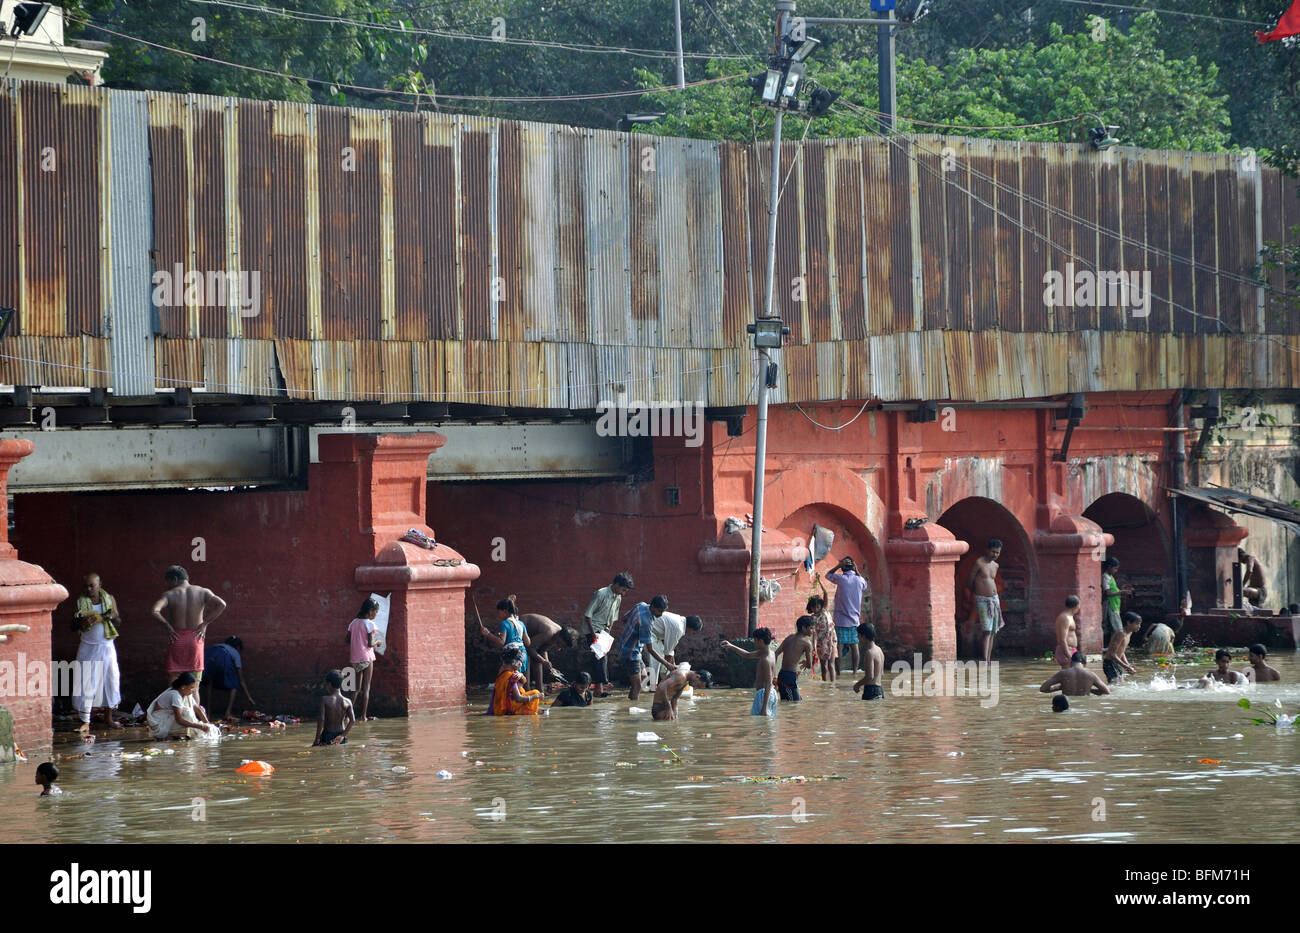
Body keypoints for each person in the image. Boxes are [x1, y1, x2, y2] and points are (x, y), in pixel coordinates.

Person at [151, 565, 226, 685]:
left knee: (174, 685)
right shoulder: (203, 591)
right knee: (194, 686)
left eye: (169, 582)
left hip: (176, 638)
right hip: (196, 638)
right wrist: (205, 623)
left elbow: (154, 611)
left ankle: (176, 704)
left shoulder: (169, 594)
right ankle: (194, 704)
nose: (168, 585)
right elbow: (222, 604)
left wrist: (168, 626)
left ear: (174, 579)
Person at [71, 572, 123, 733]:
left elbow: (119, 621)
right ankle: (85, 721)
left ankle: (108, 718)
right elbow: (72, 627)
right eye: (86, 585)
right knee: (86, 682)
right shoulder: (81, 602)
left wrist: (110, 617)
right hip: (88, 647)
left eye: (92, 585)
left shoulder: (109, 599)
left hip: (107, 647)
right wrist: (82, 621)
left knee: (110, 681)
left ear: (100, 584)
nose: (88, 589)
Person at [582, 572, 633, 697]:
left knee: (599, 658)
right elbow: (588, 615)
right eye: (623, 589)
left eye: (626, 591)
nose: (624, 593)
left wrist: (607, 634)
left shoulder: (618, 597)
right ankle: (600, 689)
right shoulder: (601, 594)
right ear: (616, 584)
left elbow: (613, 618)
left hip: (604, 633)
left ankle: (597, 690)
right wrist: (594, 635)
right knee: (601, 657)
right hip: (592, 630)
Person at [618, 596, 675, 702]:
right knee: (638, 686)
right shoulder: (646, 623)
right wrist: (667, 664)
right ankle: (632, 709)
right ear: (652, 607)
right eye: (659, 611)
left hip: (633, 650)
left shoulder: (641, 605)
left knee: (644, 678)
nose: (661, 614)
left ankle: (630, 699)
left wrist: (631, 631)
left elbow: (624, 618)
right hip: (631, 653)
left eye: (663, 611)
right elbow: (651, 650)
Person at [825, 556, 870, 673]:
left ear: (843, 568)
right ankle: (855, 671)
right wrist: (857, 570)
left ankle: (838, 672)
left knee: (838, 647)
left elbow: (828, 575)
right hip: (854, 620)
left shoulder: (840, 579)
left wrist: (838, 566)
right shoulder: (859, 580)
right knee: (854, 646)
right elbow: (865, 585)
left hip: (841, 620)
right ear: (853, 567)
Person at [722, 628, 778, 717]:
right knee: (767, 724)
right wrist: (731, 646)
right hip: (771, 694)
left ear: (760, 641)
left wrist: (764, 708)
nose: (753, 642)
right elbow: (747, 655)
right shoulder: (770, 653)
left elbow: (768, 683)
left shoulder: (765, 659)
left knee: (760, 723)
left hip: (764, 696)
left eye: (755, 640)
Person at [146, 672, 218, 739]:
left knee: (201, 709)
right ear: (183, 687)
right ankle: (172, 735)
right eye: (191, 688)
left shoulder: (185, 693)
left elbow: (197, 709)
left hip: (169, 721)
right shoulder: (175, 695)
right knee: (187, 713)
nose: (193, 690)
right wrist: (201, 726)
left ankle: (187, 734)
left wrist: (208, 724)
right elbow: (179, 720)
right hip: (160, 726)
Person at [967, 539, 1005, 663]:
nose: (995, 555)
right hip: (982, 600)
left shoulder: (995, 565)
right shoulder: (979, 563)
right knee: (987, 631)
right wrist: (977, 594)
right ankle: (984, 660)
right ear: (987, 550)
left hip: (994, 600)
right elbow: (970, 580)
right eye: (993, 552)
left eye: (998, 553)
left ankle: (988, 659)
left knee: (994, 631)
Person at [204, 636, 256, 722]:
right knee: (234, 685)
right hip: (222, 658)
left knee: (209, 683)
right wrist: (249, 697)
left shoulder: (216, 645)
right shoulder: (235, 653)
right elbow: (241, 679)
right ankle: (227, 713)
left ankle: (207, 714)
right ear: (238, 647)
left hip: (206, 657)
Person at [520, 613, 576, 691]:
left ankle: (539, 689)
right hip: (521, 626)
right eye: (562, 645)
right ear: (561, 638)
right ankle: (527, 690)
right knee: (525, 656)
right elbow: (528, 648)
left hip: (530, 637)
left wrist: (549, 667)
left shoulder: (557, 635)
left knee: (537, 659)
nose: (560, 647)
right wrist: (543, 661)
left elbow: (543, 650)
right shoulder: (549, 633)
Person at [649, 610, 703, 688]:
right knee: (656, 659)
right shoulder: (679, 628)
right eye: (693, 632)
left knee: (661, 657)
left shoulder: (680, 621)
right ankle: (653, 687)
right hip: (649, 631)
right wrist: (674, 671)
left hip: (655, 633)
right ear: (690, 628)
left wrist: (673, 666)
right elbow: (668, 653)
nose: (691, 634)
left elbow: (670, 651)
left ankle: (658, 683)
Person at [347, 598, 381, 721]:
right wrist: (377, 642)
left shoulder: (353, 622)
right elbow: (370, 644)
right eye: (376, 612)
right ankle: (363, 716)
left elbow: (347, 640)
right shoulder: (370, 624)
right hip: (366, 658)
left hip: (355, 658)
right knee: (366, 688)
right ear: (370, 611)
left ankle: (348, 716)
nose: (376, 615)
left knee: (356, 689)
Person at [480, 596, 530, 679]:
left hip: (512, 655)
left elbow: (501, 642)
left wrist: (488, 634)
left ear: (504, 611)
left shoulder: (505, 623)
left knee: (509, 680)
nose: (499, 615)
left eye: (499, 612)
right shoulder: (521, 624)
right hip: (522, 654)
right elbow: (528, 642)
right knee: (519, 680)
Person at [491, 646, 543, 716]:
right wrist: (536, 696)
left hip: (498, 708)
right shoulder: (512, 676)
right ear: (515, 662)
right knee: (535, 692)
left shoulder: (503, 672)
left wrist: (521, 675)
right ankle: (524, 713)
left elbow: (524, 681)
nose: (521, 665)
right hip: (508, 708)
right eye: (521, 662)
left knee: (524, 690)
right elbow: (519, 698)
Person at [773, 616, 815, 701]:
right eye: (811, 628)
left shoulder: (789, 637)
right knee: (794, 704)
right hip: (790, 677)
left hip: (781, 675)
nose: (813, 631)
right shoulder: (807, 643)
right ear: (803, 628)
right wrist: (806, 663)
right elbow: (810, 666)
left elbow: (776, 654)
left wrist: (774, 674)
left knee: (788, 702)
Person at [313, 669, 356, 746]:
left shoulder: (324, 700)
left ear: (329, 684)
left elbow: (321, 720)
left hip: (327, 735)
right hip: (341, 736)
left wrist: (317, 739)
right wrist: (342, 736)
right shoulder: (347, 701)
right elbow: (352, 720)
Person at [1039, 652, 1110, 697]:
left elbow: (1043, 688)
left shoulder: (1063, 673)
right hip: (1084, 707)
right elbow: (1107, 692)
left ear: (1071, 662)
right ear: (1084, 664)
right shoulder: (1091, 675)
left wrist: (1059, 687)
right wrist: (1090, 689)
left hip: (1067, 705)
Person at [807, 583, 837, 683]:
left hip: (831, 640)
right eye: (813, 607)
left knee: (831, 664)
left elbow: (826, 593)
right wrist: (814, 648)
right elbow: (814, 634)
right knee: (824, 666)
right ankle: (825, 684)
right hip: (821, 643)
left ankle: (832, 685)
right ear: (810, 608)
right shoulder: (812, 619)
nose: (815, 609)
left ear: (821, 606)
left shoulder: (825, 610)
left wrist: (820, 582)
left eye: (817, 607)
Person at [1102, 612, 1142, 684]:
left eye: (1139, 624)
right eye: (1137, 624)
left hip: (1116, 662)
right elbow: (1112, 654)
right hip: (1109, 663)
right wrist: (1126, 666)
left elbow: (1122, 651)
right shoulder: (1121, 633)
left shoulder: (1129, 633)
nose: (1139, 626)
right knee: (1115, 685)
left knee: (1121, 683)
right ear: (1129, 623)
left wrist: (1127, 664)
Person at [852, 622, 886, 700]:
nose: (857, 637)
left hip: (871, 690)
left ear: (863, 636)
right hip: (880, 690)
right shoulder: (879, 650)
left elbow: (870, 676)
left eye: (858, 635)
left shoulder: (869, 653)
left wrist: (857, 685)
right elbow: (882, 673)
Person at [1100, 557, 1127, 647]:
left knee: (1113, 627)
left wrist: (1122, 590)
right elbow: (1108, 593)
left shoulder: (1110, 577)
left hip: (1114, 605)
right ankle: (1117, 646)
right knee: (1117, 628)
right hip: (1110, 605)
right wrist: (1121, 592)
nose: (1116, 570)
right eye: (1115, 568)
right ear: (1109, 567)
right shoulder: (1105, 577)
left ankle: (1114, 646)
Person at [1053, 596, 1082, 668]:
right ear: (1076, 606)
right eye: (1079, 605)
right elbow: (1062, 640)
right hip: (1066, 650)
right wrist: (1069, 656)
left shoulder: (1070, 616)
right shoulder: (1065, 618)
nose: (1079, 608)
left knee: (1074, 675)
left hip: (1071, 649)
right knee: (1068, 676)